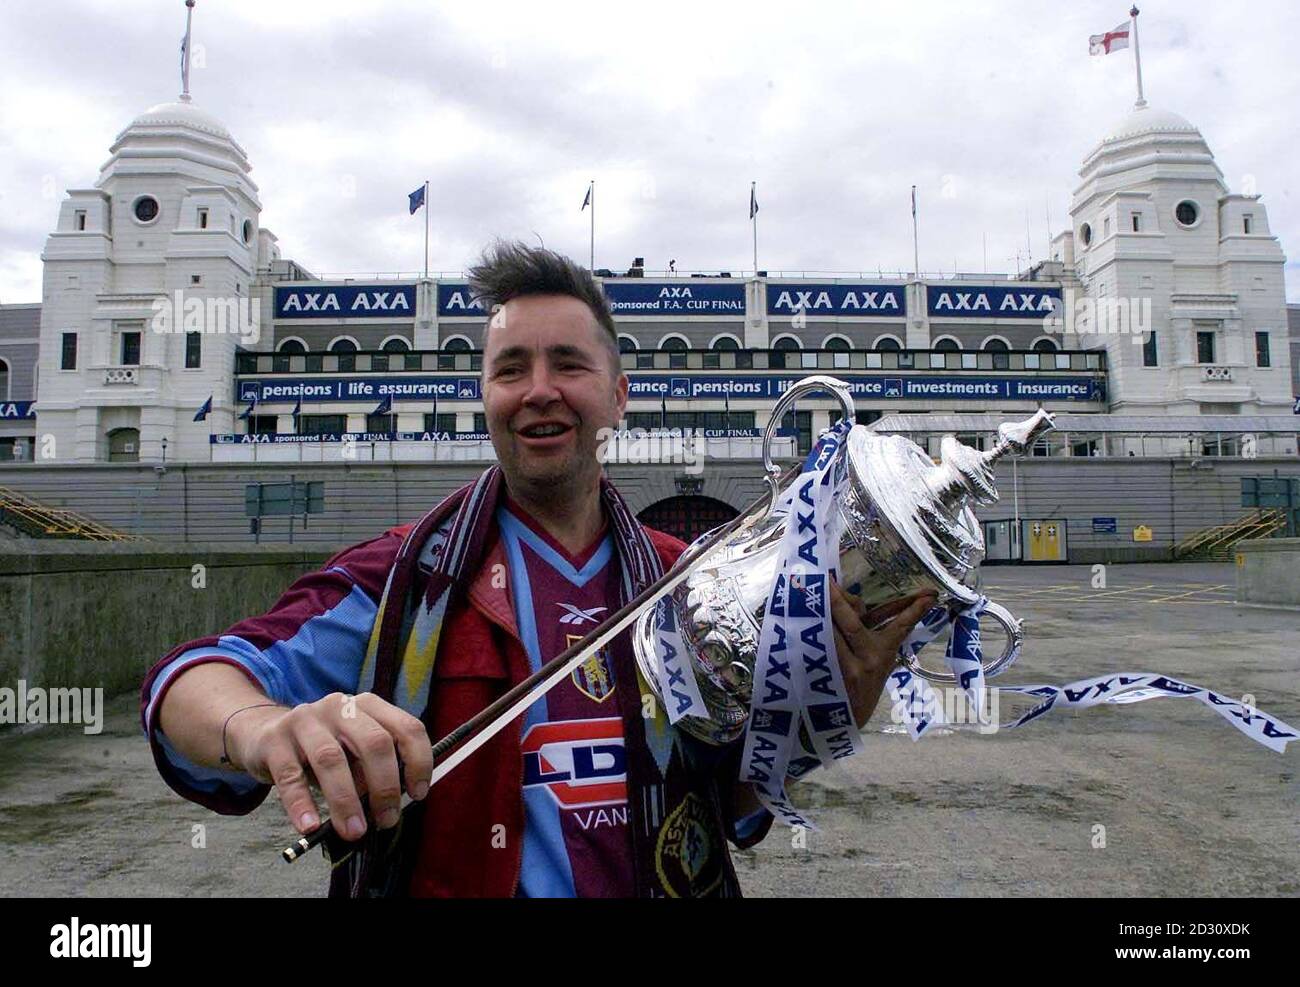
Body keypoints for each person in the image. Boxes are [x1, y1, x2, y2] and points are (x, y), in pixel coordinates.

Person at [140, 241, 934, 897]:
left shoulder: (690, 582)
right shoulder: (408, 577)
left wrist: (824, 719)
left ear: (619, 396)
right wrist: (263, 727)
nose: (539, 391)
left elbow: (731, 800)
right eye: (511, 367)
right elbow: (190, 681)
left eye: (568, 365)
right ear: (482, 394)